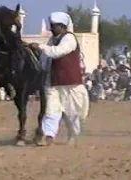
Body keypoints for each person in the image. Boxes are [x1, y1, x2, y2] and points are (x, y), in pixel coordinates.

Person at [30, 12, 89, 146]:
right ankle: (48, 136)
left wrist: (40, 46)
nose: (51, 28)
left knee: (72, 112)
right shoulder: (52, 40)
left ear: (62, 26)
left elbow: (57, 52)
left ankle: (73, 135)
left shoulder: (69, 39)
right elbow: (46, 58)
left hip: (70, 82)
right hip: (53, 82)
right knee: (51, 110)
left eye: (54, 26)